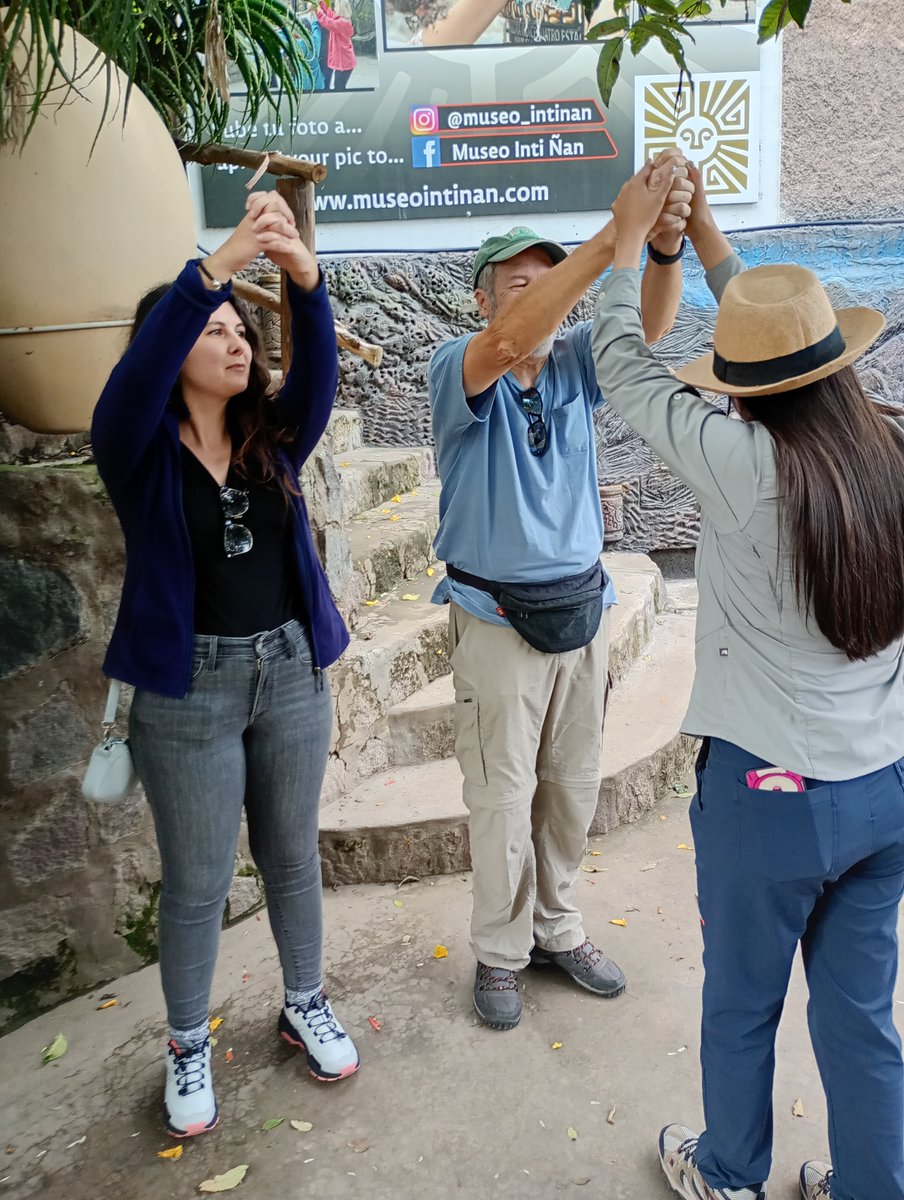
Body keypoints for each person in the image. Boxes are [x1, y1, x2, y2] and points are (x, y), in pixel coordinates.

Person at [591, 160, 903, 1200]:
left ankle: (726, 1173)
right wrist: (715, 243)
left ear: (751, 388)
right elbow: (786, 352)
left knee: (740, 1004)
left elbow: (623, 368)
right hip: (884, 788)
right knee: (859, 1017)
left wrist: (624, 244)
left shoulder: (739, 465)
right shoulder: (886, 453)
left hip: (769, 797)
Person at [91, 190, 360, 1139]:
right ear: (171, 353)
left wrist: (302, 279)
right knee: (200, 881)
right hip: (188, 692)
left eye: (240, 328)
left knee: (292, 856)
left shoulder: (274, 437)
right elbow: (126, 392)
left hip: (290, 672)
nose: (235, 341)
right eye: (212, 330)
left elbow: (317, 372)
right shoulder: (137, 450)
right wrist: (212, 267)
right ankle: (187, 1044)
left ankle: (304, 1001)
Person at [427, 154, 693, 1030]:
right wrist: (611, 233)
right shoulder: (459, 367)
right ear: (482, 300)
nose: (538, 296)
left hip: (580, 609)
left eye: (548, 281)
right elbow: (511, 340)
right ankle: (500, 953)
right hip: (494, 616)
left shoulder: (576, 361)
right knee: (502, 797)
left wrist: (656, 245)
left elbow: (650, 327)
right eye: (516, 283)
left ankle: (557, 926)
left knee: (570, 784)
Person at [316, 0, 356, 90]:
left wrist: (318, 10)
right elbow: (330, 15)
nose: (334, 8)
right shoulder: (342, 19)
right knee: (338, 86)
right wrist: (322, 3)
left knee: (339, 88)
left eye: (336, 6)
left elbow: (327, 22)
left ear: (340, 8)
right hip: (345, 63)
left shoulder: (341, 23)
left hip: (344, 65)